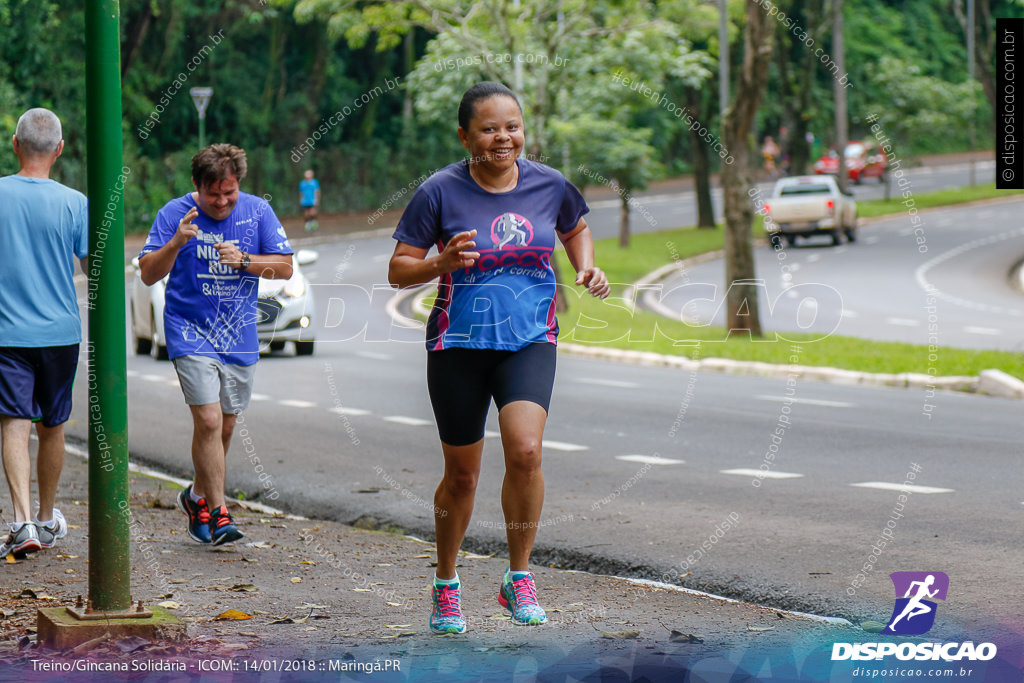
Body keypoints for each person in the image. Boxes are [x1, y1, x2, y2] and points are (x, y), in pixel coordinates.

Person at [388, 82, 610, 634]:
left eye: (512, 126)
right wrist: (441, 264)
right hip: (457, 345)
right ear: (465, 136)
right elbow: (398, 268)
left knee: (527, 451)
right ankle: (446, 582)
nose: (503, 137)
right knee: (462, 476)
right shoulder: (439, 192)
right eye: (489, 128)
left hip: (530, 338)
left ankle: (519, 576)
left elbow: (575, 226)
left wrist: (585, 264)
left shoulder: (549, 183)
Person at [139, 144, 293, 546]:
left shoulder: (258, 212)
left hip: (238, 333)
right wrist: (175, 243)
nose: (222, 202)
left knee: (225, 424)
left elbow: (286, 267)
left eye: (230, 193)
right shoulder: (174, 214)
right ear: (196, 186)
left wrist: (244, 260)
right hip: (189, 329)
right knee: (207, 421)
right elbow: (148, 275)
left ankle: (196, 497)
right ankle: (221, 513)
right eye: (213, 194)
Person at [0, 108, 87, 558]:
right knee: (53, 427)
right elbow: (93, 268)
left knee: (14, 422)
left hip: (8, 332)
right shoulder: (75, 202)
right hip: (61, 333)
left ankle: (21, 522)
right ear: (59, 149)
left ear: (15, 145)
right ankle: (48, 518)